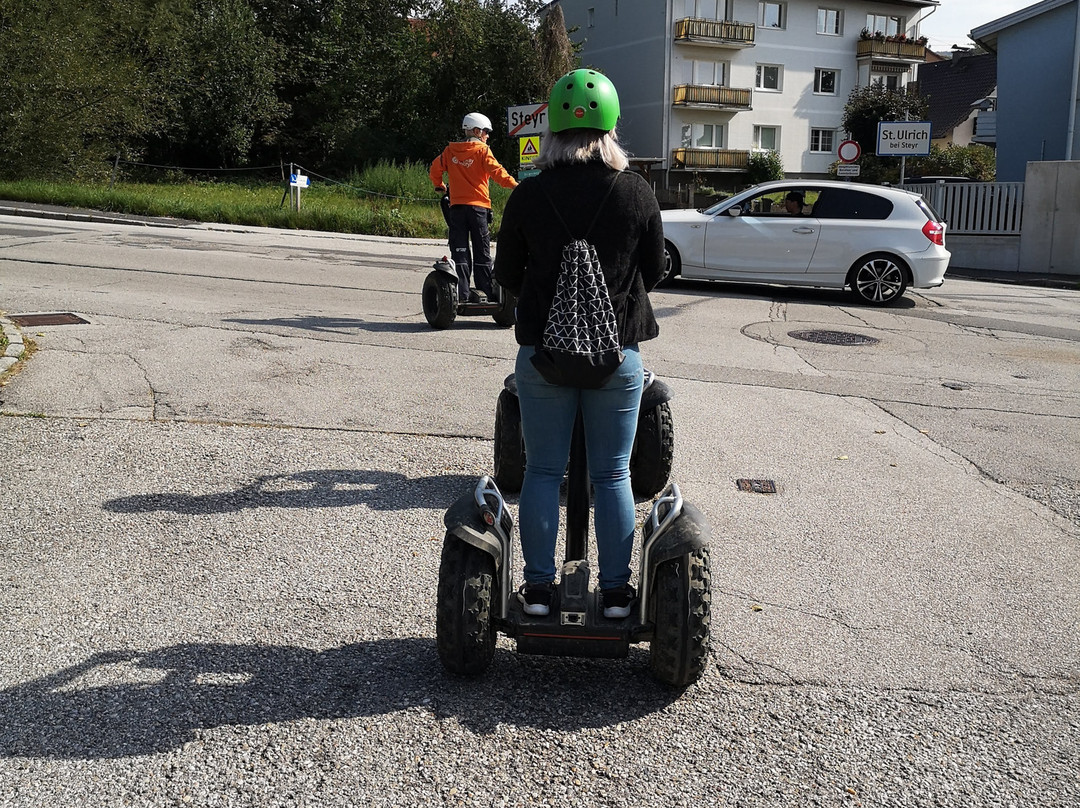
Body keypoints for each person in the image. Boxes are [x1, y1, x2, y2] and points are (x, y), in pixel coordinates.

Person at [493, 69, 665, 620]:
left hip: (543, 356)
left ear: (553, 129)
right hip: (617, 355)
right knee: (612, 472)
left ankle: (539, 593)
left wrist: (551, 301)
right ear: (612, 126)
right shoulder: (636, 191)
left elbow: (507, 273)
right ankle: (616, 596)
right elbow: (655, 271)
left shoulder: (529, 194)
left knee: (543, 471)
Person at [430, 112, 518, 303]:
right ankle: (484, 291)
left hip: (457, 209)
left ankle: (461, 294)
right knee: (482, 250)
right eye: (486, 132)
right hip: (478, 209)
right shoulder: (482, 151)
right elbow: (498, 172)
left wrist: (440, 185)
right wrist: (516, 186)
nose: (487, 136)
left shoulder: (450, 152)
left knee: (460, 250)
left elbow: (435, 168)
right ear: (477, 131)